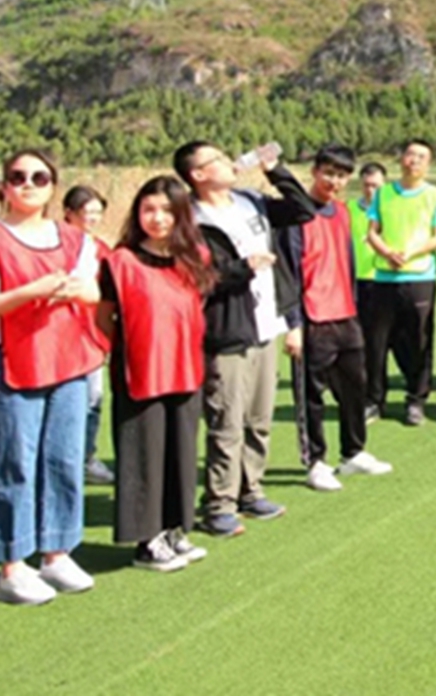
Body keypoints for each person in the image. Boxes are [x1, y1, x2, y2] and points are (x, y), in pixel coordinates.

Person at [0, 151, 101, 605]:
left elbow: (96, 291)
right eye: (17, 177)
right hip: (14, 361)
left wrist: (81, 291)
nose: (28, 184)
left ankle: (57, 552)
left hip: (70, 358)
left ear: (53, 186)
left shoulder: (76, 239)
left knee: (63, 458)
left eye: (39, 177)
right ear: (5, 186)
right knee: (13, 464)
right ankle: (11, 565)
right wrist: (29, 293)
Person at [174, 140, 315, 536]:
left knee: (259, 418)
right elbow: (195, 280)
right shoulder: (189, 219)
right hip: (227, 328)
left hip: (265, 321)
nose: (228, 161)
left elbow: (303, 210)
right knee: (227, 420)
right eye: (216, 159)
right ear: (198, 175)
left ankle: (250, 489)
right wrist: (243, 268)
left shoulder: (250, 200)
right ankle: (219, 502)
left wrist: (276, 171)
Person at [95, 176, 215, 571]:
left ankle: (173, 529)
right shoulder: (120, 262)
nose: (157, 218)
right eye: (149, 209)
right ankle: (147, 542)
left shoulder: (195, 257)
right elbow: (104, 319)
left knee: (180, 453)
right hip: (141, 374)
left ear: (182, 214)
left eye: (167, 210)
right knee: (143, 457)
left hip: (185, 369)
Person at [280, 145, 393, 491]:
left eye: (342, 175)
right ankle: (315, 461)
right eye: (328, 172)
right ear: (314, 171)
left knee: (354, 389)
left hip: (345, 314)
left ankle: (353, 452)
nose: (334, 181)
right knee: (311, 396)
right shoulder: (295, 214)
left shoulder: (343, 212)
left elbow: (347, 262)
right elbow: (288, 271)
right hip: (312, 318)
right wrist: (293, 323)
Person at [364, 139, 436, 426]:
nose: (414, 160)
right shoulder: (384, 194)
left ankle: (416, 400)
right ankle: (375, 400)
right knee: (376, 343)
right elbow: (373, 231)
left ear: (428, 164)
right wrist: (387, 252)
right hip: (384, 278)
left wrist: (410, 253)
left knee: (418, 340)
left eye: (421, 156)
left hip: (419, 277)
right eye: (410, 154)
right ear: (401, 158)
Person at [62, 185, 115, 487]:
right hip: (63, 335)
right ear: (69, 213)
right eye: (87, 212)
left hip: (92, 334)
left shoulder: (101, 248)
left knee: (93, 399)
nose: (92, 218)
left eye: (97, 212)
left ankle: (85, 457)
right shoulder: (58, 244)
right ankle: (63, 458)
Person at [351, 162, 386, 422]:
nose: (371, 190)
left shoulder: (391, 210)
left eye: (376, 185)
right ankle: (368, 398)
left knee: (381, 345)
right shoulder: (349, 209)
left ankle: (384, 396)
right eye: (367, 185)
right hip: (355, 283)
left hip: (385, 281)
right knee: (360, 345)